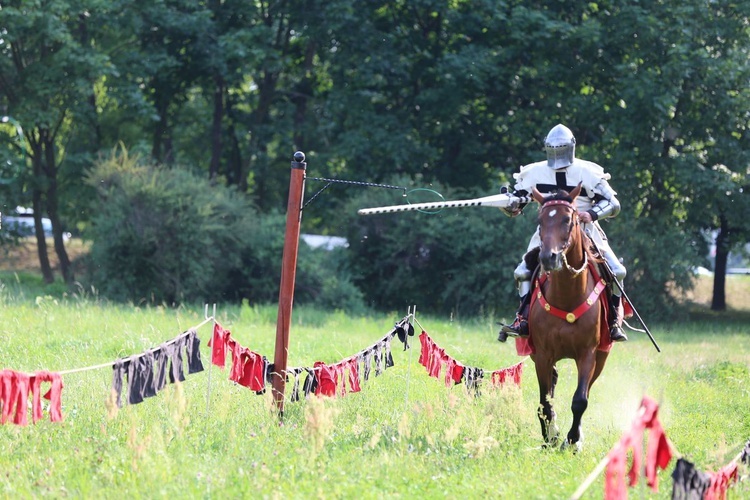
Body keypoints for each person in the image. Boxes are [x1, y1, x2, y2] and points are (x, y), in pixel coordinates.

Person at [499, 124, 628, 342]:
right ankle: (523, 318)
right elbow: (518, 203)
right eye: (553, 149)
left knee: (617, 271)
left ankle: (613, 321)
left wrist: (593, 214)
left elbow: (613, 204)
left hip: (585, 228)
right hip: (549, 229)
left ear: (571, 148)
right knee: (522, 272)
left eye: (561, 149)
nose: (557, 155)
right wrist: (509, 202)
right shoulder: (535, 172)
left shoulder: (587, 171)